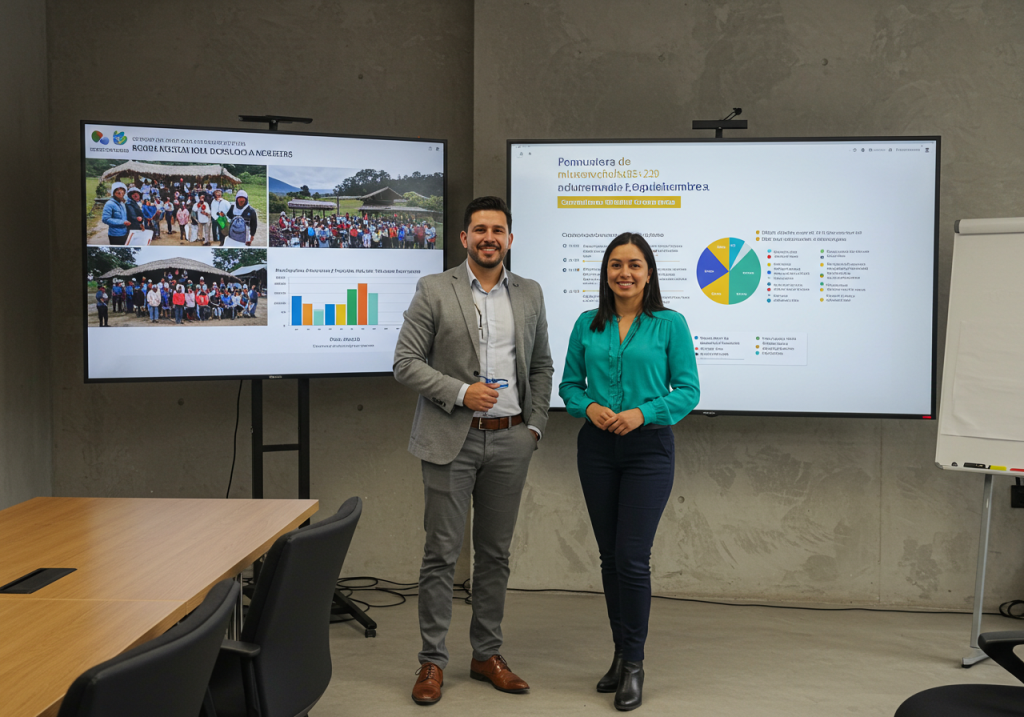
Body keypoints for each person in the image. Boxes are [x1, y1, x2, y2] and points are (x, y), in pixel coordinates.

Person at [393, 196, 553, 706]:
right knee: (440, 554)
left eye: (498, 229)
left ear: (510, 238)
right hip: (449, 440)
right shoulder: (434, 289)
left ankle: (486, 654)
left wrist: (534, 428)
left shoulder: (529, 293)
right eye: (480, 229)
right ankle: (432, 662)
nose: (489, 237)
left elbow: (542, 366)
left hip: (511, 439)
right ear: (464, 238)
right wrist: (462, 393)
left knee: (495, 555)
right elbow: (405, 362)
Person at [558, 232, 700, 711]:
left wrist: (643, 413)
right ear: (605, 272)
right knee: (608, 558)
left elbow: (688, 391)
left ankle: (635, 664)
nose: (624, 273)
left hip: (648, 450)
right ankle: (620, 654)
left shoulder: (669, 324)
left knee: (632, 557)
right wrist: (589, 407)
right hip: (596, 448)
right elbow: (569, 385)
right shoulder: (587, 323)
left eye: (634, 264)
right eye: (616, 264)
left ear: (649, 272)